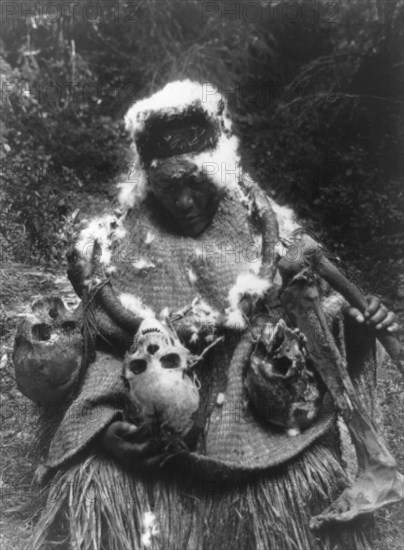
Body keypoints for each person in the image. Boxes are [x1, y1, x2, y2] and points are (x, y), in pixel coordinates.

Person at [23, 81, 401, 550]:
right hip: (152, 439)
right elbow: (98, 346)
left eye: (196, 183)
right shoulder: (119, 246)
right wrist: (105, 431)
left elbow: (306, 329)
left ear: (219, 169)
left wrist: (356, 322)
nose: (183, 203)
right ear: (148, 181)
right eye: (167, 187)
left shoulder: (268, 235)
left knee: (306, 487)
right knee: (100, 484)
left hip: (258, 430)